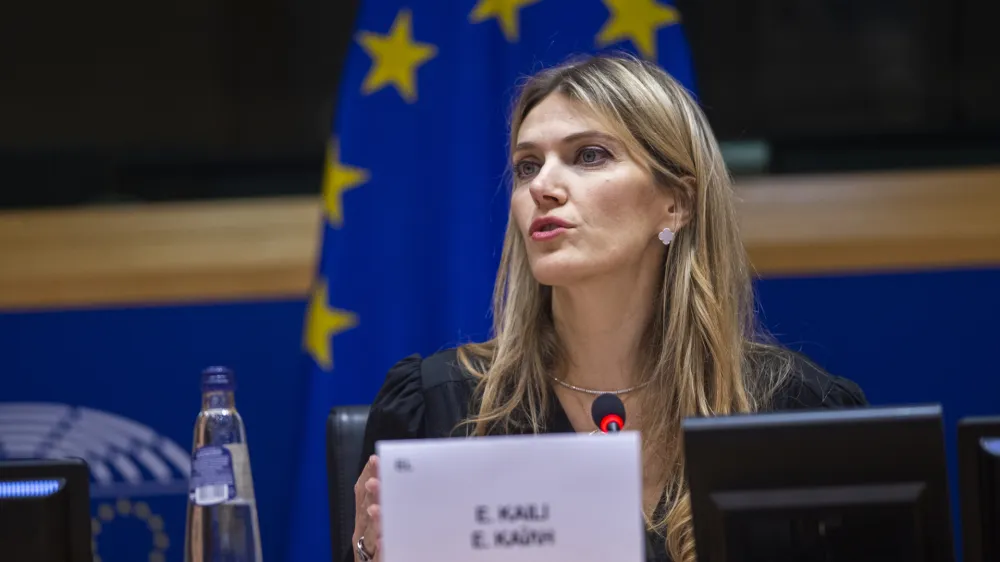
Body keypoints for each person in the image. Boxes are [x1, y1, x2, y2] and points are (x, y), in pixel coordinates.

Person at [346, 52, 868, 562]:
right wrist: (370, 555)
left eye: (589, 155)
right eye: (527, 167)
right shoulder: (441, 409)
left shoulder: (795, 415)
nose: (543, 187)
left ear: (677, 202)